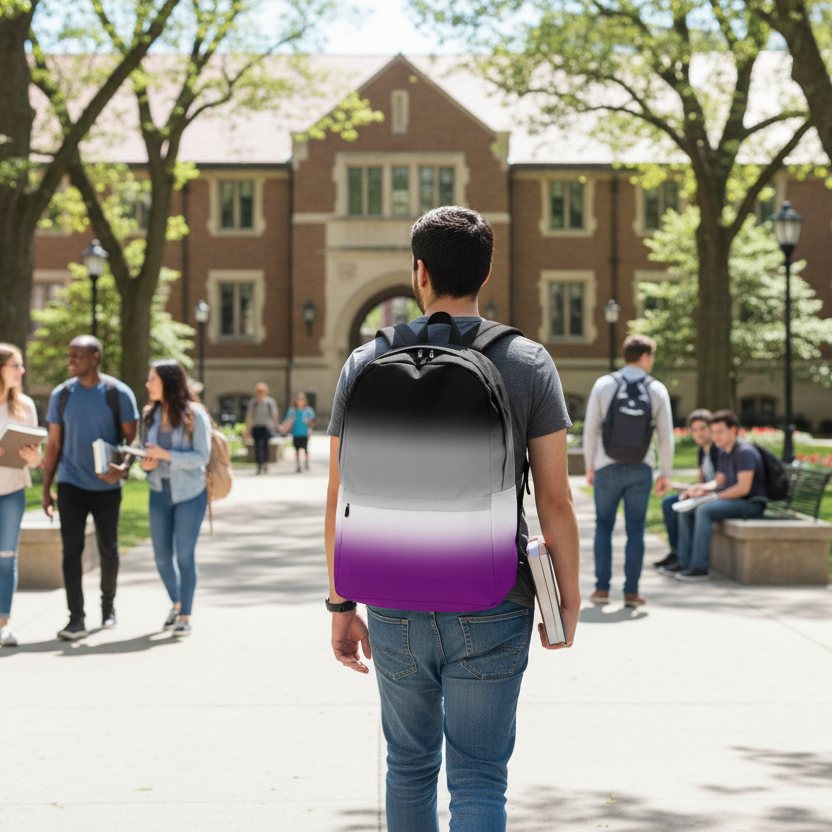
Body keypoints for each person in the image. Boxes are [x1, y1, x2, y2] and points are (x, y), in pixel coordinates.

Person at [324, 206, 581, 832]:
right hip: (492, 596)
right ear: (485, 272)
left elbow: (338, 497)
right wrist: (565, 602)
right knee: (479, 776)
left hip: (391, 598)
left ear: (419, 272)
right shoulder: (526, 360)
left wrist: (339, 605)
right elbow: (555, 500)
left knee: (408, 766)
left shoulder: (364, 363)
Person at [43, 336, 139, 641]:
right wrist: (47, 488)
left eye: (77, 357)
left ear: (94, 358)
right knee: (71, 551)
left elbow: (132, 441)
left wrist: (123, 470)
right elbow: (54, 444)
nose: (70, 361)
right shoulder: (61, 395)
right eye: (69, 356)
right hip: (70, 484)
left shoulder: (118, 393)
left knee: (108, 548)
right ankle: (76, 619)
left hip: (105, 486)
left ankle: (107, 606)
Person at [582, 334, 674, 607]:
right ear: (645, 356)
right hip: (640, 469)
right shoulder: (656, 389)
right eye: (652, 357)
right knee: (636, 529)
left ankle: (601, 590)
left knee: (603, 527)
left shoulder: (604, 384)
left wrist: (590, 464)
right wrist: (665, 474)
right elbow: (665, 437)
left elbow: (591, 429)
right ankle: (631, 593)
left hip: (606, 468)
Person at [141, 360, 212, 637]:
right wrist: (146, 463)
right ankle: (178, 602)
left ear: (168, 383)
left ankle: (185, 616)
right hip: (158, 490)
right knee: (161, 558)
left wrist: (165, 455)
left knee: (184, 555)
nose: (147, 385)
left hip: (189, 494)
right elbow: (146, 451)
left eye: (152, 380)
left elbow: (202, 457)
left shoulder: (195, 415)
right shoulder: (149, 414)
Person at [669, 409, 766, 581]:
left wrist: (712, 498)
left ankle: (699, 567)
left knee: (703, 510)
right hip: (733, 500)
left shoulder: (744, 452)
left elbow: (743, 488)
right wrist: (702, 489)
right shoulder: (723, 452)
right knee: (687, 507)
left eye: (720, 431)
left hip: (750, 503)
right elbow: (719, 481)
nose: (716, 436)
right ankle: (684, 562)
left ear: (733, 430)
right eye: (713, 432)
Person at [0, 344, 42, 648]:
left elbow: (36, 457)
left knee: (6, 560)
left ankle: (3, 624)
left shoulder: (25, 405)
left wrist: (32, 456)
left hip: (12, 489)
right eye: (15, 366)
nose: (21, 371)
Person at [654, 409, 719, 570]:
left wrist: (695, 492)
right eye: (695, 430)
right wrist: (678, 487)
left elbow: (718, 483)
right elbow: (700, 482)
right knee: (669, 503)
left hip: (715, 495)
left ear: (711, 428)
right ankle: (676, 552)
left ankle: (685, 558)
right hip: (704, 493)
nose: (699, 433)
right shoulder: (701, 452)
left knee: (682, 508)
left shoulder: (717, 450)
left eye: (702, 428)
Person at [244, 382, 279, 475]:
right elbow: (249, 415)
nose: (261, 393)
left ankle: (266, 463)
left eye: (262, 391)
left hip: (266, 427)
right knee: (256, 447)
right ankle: (258, 465)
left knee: (265, 446)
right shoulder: (253, 402)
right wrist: (247, 429)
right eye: (259, 391)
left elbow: (274, 415)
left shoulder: (270, 402)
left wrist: (276, 426)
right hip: (256, 427)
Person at [281, 392, 315, 473]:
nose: (300, 401)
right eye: (298, 399)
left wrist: (309, 424)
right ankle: (298, 464)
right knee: (296, 450)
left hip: (304, 433)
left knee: (306, 449)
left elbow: (312, 422)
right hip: (296, 433)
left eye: (301, 400)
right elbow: (287, 422)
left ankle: (306, 462)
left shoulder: (308, 410)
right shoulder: (292, 411)